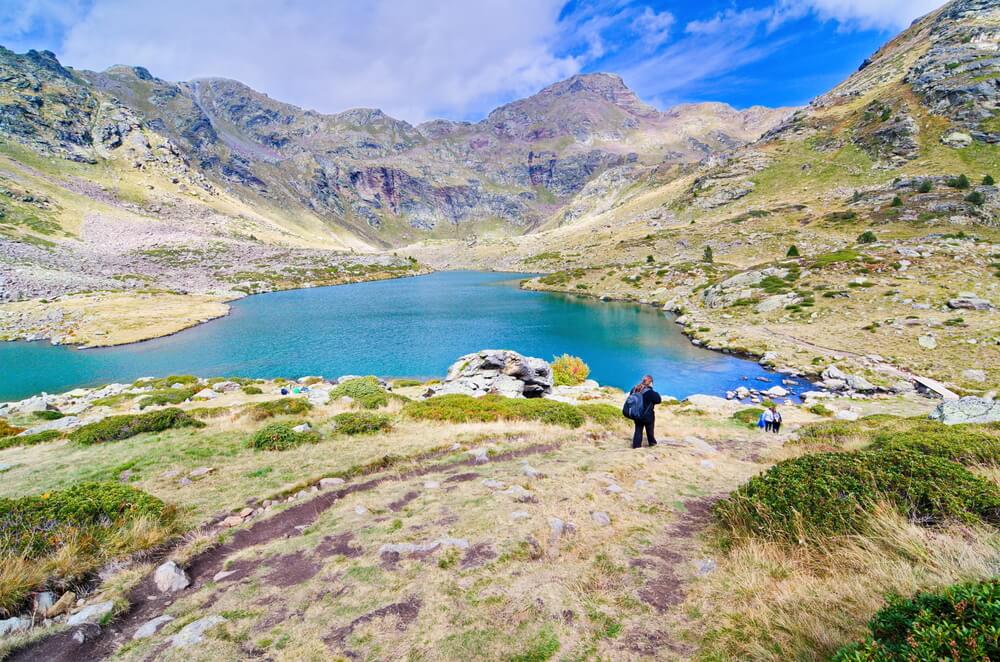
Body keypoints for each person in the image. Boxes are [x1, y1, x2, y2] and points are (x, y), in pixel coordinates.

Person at [630, 375, 661, 449]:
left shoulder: (634, 389)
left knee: (638, 430)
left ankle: (636, 446)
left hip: (637, 414)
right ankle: (652, 444)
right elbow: (658, 400)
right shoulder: (650, 392)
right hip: (648, 416)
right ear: (650, 383)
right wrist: (652, 390)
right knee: (650, 431)